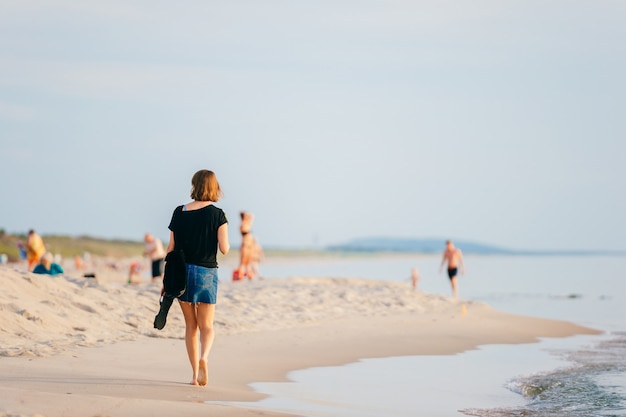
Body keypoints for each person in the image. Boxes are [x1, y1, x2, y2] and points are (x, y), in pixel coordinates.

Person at [166, 169, 230, 386]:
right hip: (206, 273)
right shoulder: (218, 214)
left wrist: (166, 281)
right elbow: (225, 249)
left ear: (194, 185)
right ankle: (204, 357)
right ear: (214, 187)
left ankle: (194, 376)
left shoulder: (179, 211)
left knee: (190, 326)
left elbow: (171, 248)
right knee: (207, 326)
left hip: (181, 273)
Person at [236, 211, 255, 280]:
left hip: (249, 246)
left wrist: (247, 216)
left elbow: (252, 216)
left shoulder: (247, 224)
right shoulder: (242, 225)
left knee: (248, 262)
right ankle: (240, 276)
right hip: (245, 245)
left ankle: (249, 276)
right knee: (242, 262)